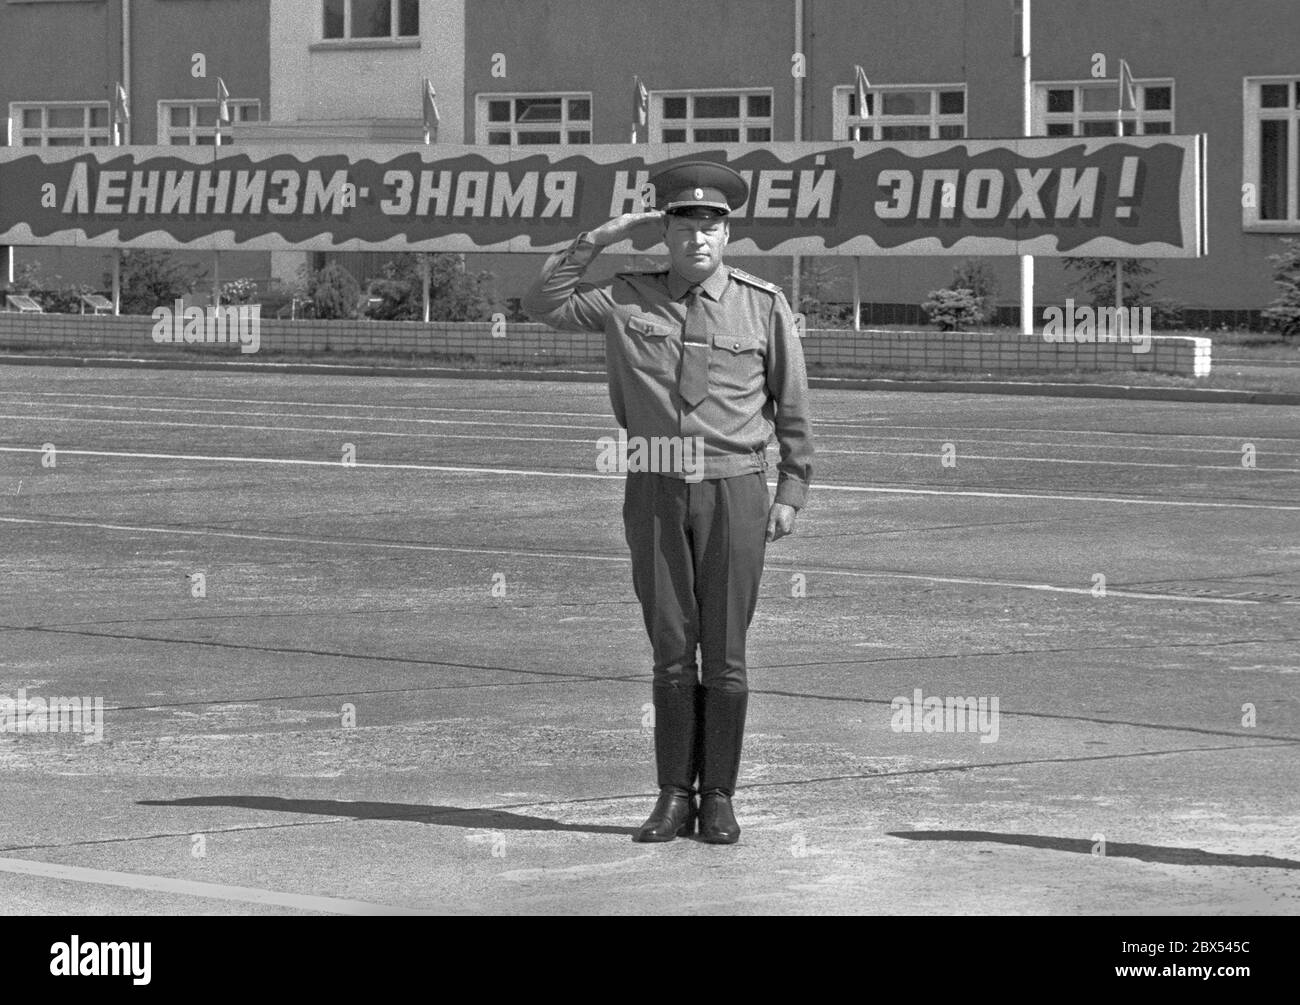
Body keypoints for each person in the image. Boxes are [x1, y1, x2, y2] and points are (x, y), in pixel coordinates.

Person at [521, 160, 814, 844]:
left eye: (711, 226)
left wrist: (793, 488)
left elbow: (793, 405)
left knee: (727, 649)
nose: (699, 240)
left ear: (728, 232)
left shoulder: (762, 305)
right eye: (684, 226)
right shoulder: (626, 298)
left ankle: (718, 798)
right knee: (672, 647)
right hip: (654, 482)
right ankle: (671, 797)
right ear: (666, 233)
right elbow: (541, 302)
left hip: (735, 484)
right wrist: (603, 234)